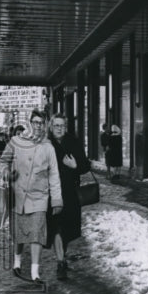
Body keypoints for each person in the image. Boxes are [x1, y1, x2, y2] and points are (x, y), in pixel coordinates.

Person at [0, 109, 63, 286]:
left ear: (45, 126)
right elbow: (3, 161)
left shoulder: (48, 147)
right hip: (18, 194)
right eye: (35, 122)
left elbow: (54, 175)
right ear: (30, 123)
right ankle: (17, 262)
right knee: (19, 233)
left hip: (39, 197)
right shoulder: (16, 141)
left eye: (41, 123)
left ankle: (35, 272)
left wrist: (57, 199)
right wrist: (6, 173)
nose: (38, 126)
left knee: (37, 234)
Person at [47, 113, 98, 280]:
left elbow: (85, 166)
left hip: (69, 191)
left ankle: (62, 253)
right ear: (51, 126)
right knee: (56, 226)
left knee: (67, 228)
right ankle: (61, 262)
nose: (59, 129)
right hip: (51, 192)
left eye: (62, 125)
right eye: (56, 125)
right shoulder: (45, 143)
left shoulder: (73, 142)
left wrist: (75, 166)